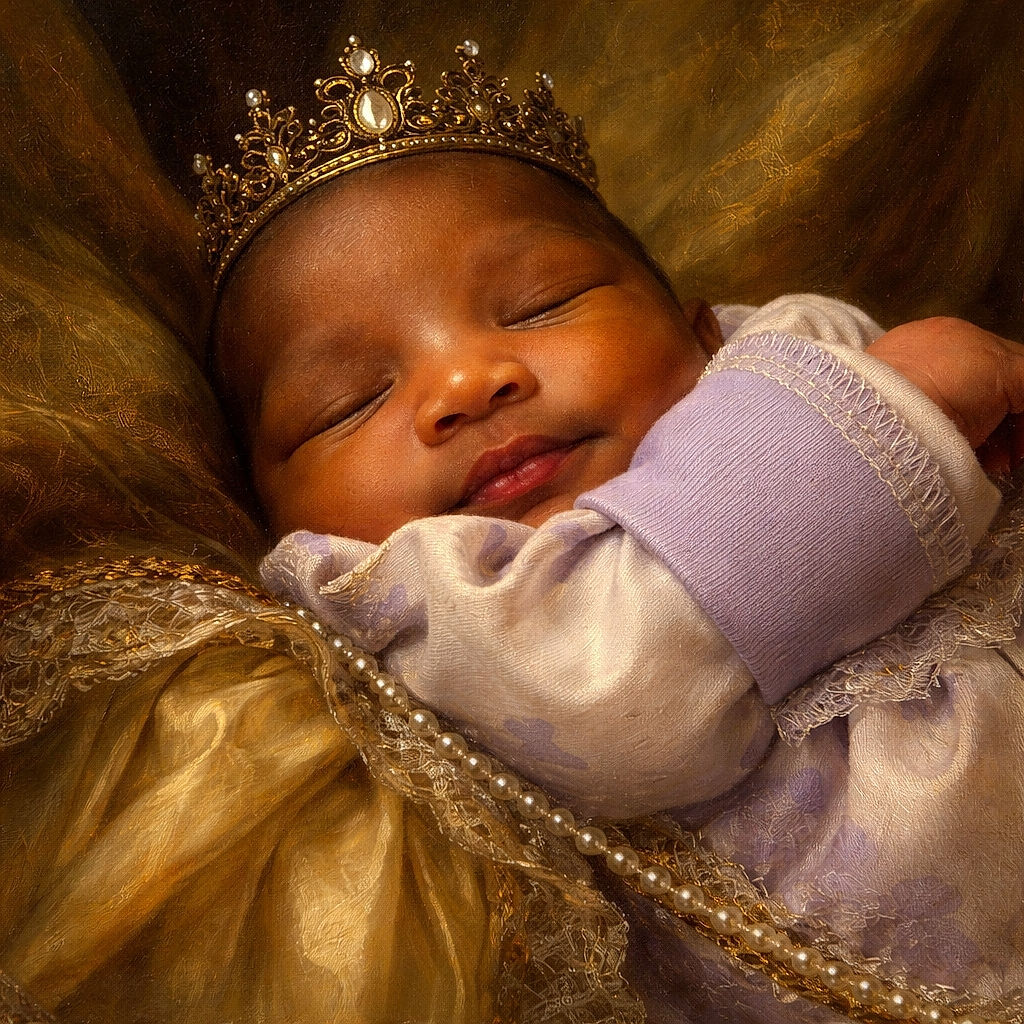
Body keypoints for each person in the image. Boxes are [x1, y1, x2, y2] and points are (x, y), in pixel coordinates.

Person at [203, 39, 1024, 1024]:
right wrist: (909, 403)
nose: (467, 383)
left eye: (540, 305)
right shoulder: (407, 594)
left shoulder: (791, 355)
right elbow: (609, 695)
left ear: (699, 328)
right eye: (349, 401)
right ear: (273, 509)